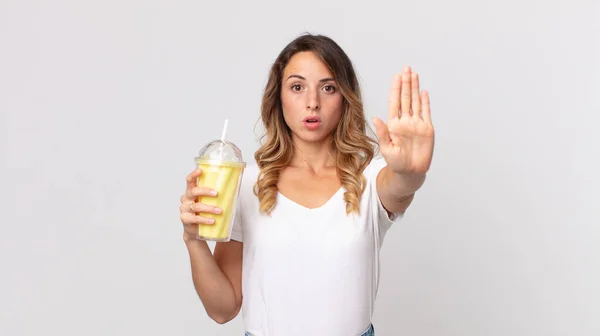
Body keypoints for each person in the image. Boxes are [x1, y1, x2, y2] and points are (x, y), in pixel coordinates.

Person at [179, 33, 435, 336]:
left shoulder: (368, 177)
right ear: (279, 97)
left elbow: (400, 187)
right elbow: (222, 310)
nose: (312, 103)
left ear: (345, 97)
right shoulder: (247, 183)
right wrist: (193, 240)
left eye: (328, 88)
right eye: (297, 87)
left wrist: (411, 172)